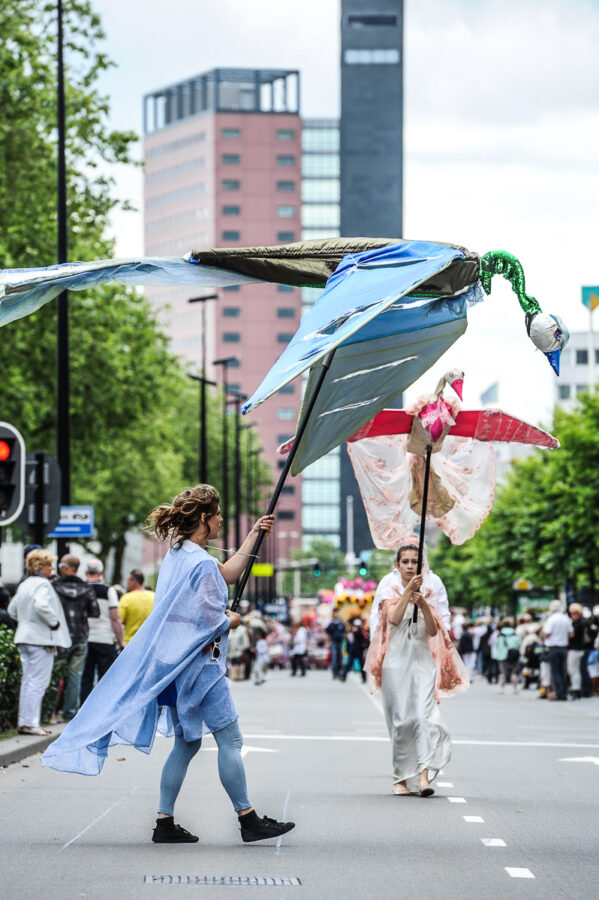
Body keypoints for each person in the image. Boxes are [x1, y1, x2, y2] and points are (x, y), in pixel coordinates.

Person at [42, 485, 294, 846]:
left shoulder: (179, 554)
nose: (222, 518)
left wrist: (255, 532)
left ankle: (165, 822)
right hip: (201, 668)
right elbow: (211, 618)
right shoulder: (201, 563)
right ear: (205, 519)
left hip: (175, 667)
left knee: (187, 743)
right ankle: (248, 819)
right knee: (230, 739)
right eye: (218, 513)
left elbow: (227, 574)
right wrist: (233, 621)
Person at [365, 541, 468, 797]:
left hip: (422, 661)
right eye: (406, 562)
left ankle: (423, 777)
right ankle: (400, 777)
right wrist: (407, 591)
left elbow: (434, 630)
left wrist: (423, 603)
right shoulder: (388, 586)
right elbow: (394, 619)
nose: (410, 566)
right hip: (395, 662)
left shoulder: (432, 587)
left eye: (415, 562)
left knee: (424, 718)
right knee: (401, 720)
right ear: (397, 565)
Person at [7, 549, 71, 735]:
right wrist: (54, 622)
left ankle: (24, 722)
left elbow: (12, 610)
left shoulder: (25, 584)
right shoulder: (43, 584)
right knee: (38, 682)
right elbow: (41, 604)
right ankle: (31, 724)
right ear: (40, 566)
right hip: (40, 639)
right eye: (49, 564)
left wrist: (26, 621)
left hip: (24, 637)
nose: (52, 568)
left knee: (28, 681)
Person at [53, 554, 100, 720]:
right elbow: (95, 612)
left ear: (65, 567)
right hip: (80, 637)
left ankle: (50, 712)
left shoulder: (53, 587)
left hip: (59, 637)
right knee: (75, 677)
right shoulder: (86, 588)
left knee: (55, 674)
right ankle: (69, 713)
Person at [80, 559, 125, 704]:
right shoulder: (108, 590)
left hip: (85, 639)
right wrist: (121, 641)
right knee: (105, 678)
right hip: (105, 638)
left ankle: (84, 711)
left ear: (86, 573)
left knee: (85, 677)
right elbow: (115, 618)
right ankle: (102, 709)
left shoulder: (81, 589)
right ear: (100, 573)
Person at [542, 600, 573, 701]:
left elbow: (546, 633)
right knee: (563, 671)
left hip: (553, 648)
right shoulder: (566, 618)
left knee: (555, 672)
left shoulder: (551, 619)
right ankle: (563, 693)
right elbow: (571, 634)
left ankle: (559, 694)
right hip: (563, 648)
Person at [118, 569, 154, 644]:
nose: (126, 583)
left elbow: (119, 620)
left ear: (134, 581)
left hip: (129, 644)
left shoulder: (127, 598)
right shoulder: (154, 597)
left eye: (128, 580)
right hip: (149, 644)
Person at [494, 618, 522, 694]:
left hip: (503, 656)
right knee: (514, 673)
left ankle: (501, 689)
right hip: (514, 655)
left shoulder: (500, 635)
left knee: (503, 673)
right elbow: (519, 644)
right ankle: (515, 689)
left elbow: (496, 644)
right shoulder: (515, 634)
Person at [567, 603, 588, 700]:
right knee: (578, 670)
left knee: (573, 670)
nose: (572, 615)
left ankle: (576, 689)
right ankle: (578, 689)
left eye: (573, 613)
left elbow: (572, 636)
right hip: (581, 648)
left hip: (575, 649)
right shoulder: (584, 622)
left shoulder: (577, 623)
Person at [341, 618, 368, 684]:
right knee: (348, 664)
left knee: (362, 665)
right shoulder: (350, 631)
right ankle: (343, 676)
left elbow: (365, 639)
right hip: (352, 650)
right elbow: (348, 641)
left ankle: (364, 678)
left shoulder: (362, 631)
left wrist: (357, 631)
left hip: (359, 650)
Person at [325, 609, 346, 679]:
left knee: (340, 658)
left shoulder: (341, 623)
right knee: (334, 658)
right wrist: (327, 642)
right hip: (333, 642)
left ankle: (340, 672)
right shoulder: (331, 624)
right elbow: (327, 633)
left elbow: (344, 632)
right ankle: (334, 673)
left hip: (340, 642)